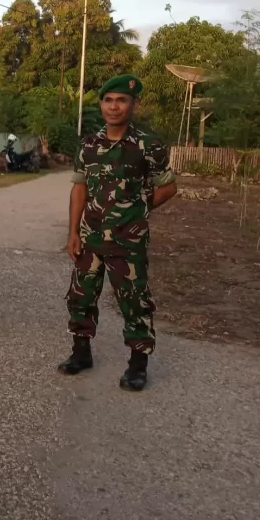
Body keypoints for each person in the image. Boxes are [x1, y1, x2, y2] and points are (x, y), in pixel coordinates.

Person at [58, 73, 177, 391]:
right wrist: (73, 232)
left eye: (121, 100)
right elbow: (79, 190)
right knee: (80, 297)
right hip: (90, 238)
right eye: (109, 100)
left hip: (128, 241)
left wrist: (139, 210)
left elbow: (169, 187)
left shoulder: (147, 146)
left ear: (133, 104)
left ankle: (138, 365)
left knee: (135, 302)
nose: (114, 107)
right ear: (102, 105)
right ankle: (80, 354)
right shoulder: (88, 145)